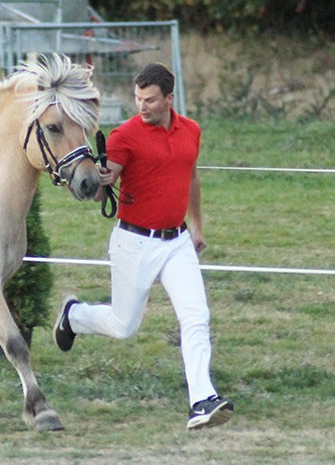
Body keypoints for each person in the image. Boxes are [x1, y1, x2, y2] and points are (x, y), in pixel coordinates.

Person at [52, 62, 233, 430]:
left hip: (177, 241)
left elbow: (191, 176)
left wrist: (196, 227)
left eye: (150, 100)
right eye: (138, 98)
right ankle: (73, 316)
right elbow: (100, 188)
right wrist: (103, 179)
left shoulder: (191, 131)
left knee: (196, 317)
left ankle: (201, 400)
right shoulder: (123, 136)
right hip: (134, 242)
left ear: (169, 98)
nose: (142, 106)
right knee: (123, 326)